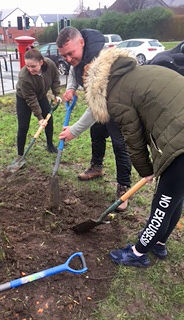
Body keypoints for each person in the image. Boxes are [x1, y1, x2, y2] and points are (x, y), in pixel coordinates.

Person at [58, 45, 184, 268]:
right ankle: (159, 242)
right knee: (175, 198)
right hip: (178, 130)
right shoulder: (133, 74)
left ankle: (138, 252)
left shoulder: (115, 95)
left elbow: (133, 140)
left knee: (162, 203)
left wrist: (146, 171)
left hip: (180, 141)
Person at [56, 27, 132, 212]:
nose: (68, 59)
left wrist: (73, 130)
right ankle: (96, 167)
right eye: (64, 56)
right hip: (102, 105)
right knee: (97, 131)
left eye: (70, 53)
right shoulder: (79, 57)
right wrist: (71, 88)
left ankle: (124, 189)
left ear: (81, 42)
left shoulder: (99, 61)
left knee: (119, 145)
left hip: (118, 105)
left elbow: (96, 105)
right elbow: (74, 71)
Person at [12, 48, 62, 165]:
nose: (30, 69)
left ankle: (50, 145)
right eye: (27, 66)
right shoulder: (24, 77)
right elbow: (31, 99)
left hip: (41, 95)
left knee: (49, 120)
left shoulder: (50, 65)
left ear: (41, 62)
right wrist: (39, 118)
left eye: (33, 66)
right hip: (24, 99)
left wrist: (56, 94)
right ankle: (20, 155)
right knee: (23, 126)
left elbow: (55, 78)